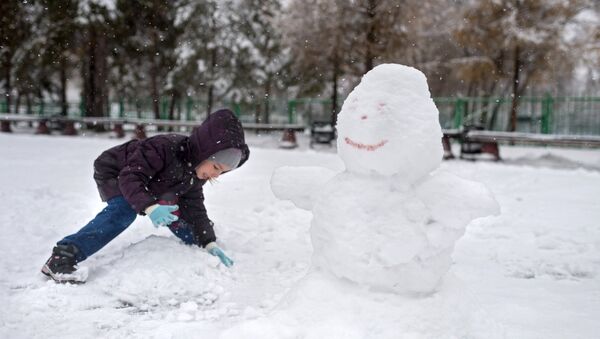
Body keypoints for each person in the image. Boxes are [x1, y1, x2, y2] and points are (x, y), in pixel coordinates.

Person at [41, 109, 250, 283]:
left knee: (177, 213)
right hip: (118, 172)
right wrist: (150, 207)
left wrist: (208, 241)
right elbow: (130, 177)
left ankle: (199, 245)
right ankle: (63, 256)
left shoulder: (194, 175)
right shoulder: (164, 147)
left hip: (155, 184)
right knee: (124, 211)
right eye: (215, 166)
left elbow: (195, 208)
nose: (215, 174)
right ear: (204, 152)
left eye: (221, 172)